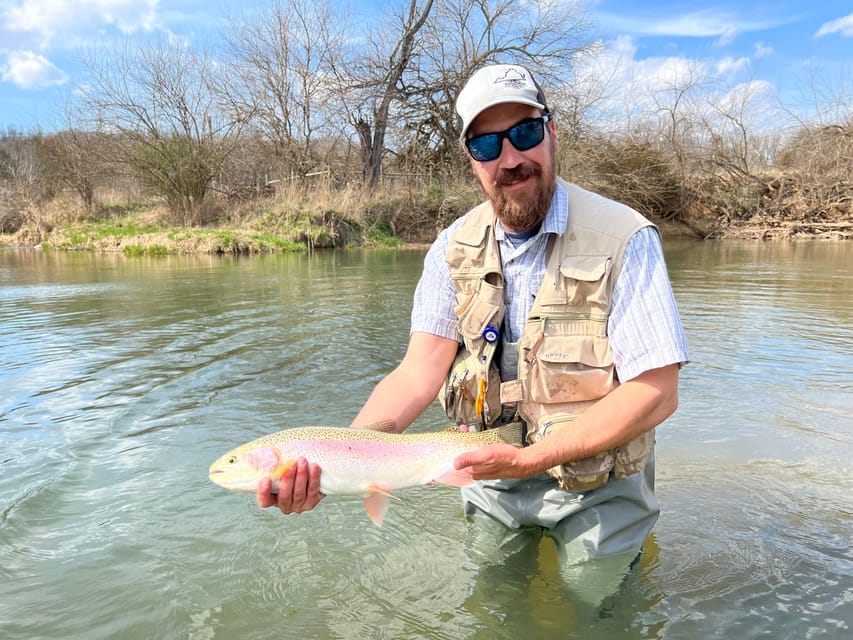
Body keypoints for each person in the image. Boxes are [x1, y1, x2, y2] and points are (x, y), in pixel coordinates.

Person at [257, 63, 689, 569]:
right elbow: (418, 372)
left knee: (596, 610)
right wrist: (342, 461)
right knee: (493, 610)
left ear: (552, 133)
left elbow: (657, 391)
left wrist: (530, 458)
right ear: (471, 160)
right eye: (487, 145)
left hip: (601, 485)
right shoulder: (449, 248)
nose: (510, 158)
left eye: (524, 132)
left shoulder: (626, 238)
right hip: (488, 479)